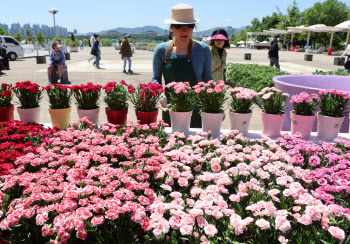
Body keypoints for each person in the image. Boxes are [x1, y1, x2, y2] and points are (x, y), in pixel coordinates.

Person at [152, 3, 213, 128]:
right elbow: (156, 78)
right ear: (172, 28)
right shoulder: (161, 50)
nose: (184, 30)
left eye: (189, 26)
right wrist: (159, 94)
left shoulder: (203, 49)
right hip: (170, 107)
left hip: (196, 108)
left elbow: (208, 80)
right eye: (179, 26)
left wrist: (214, 107)